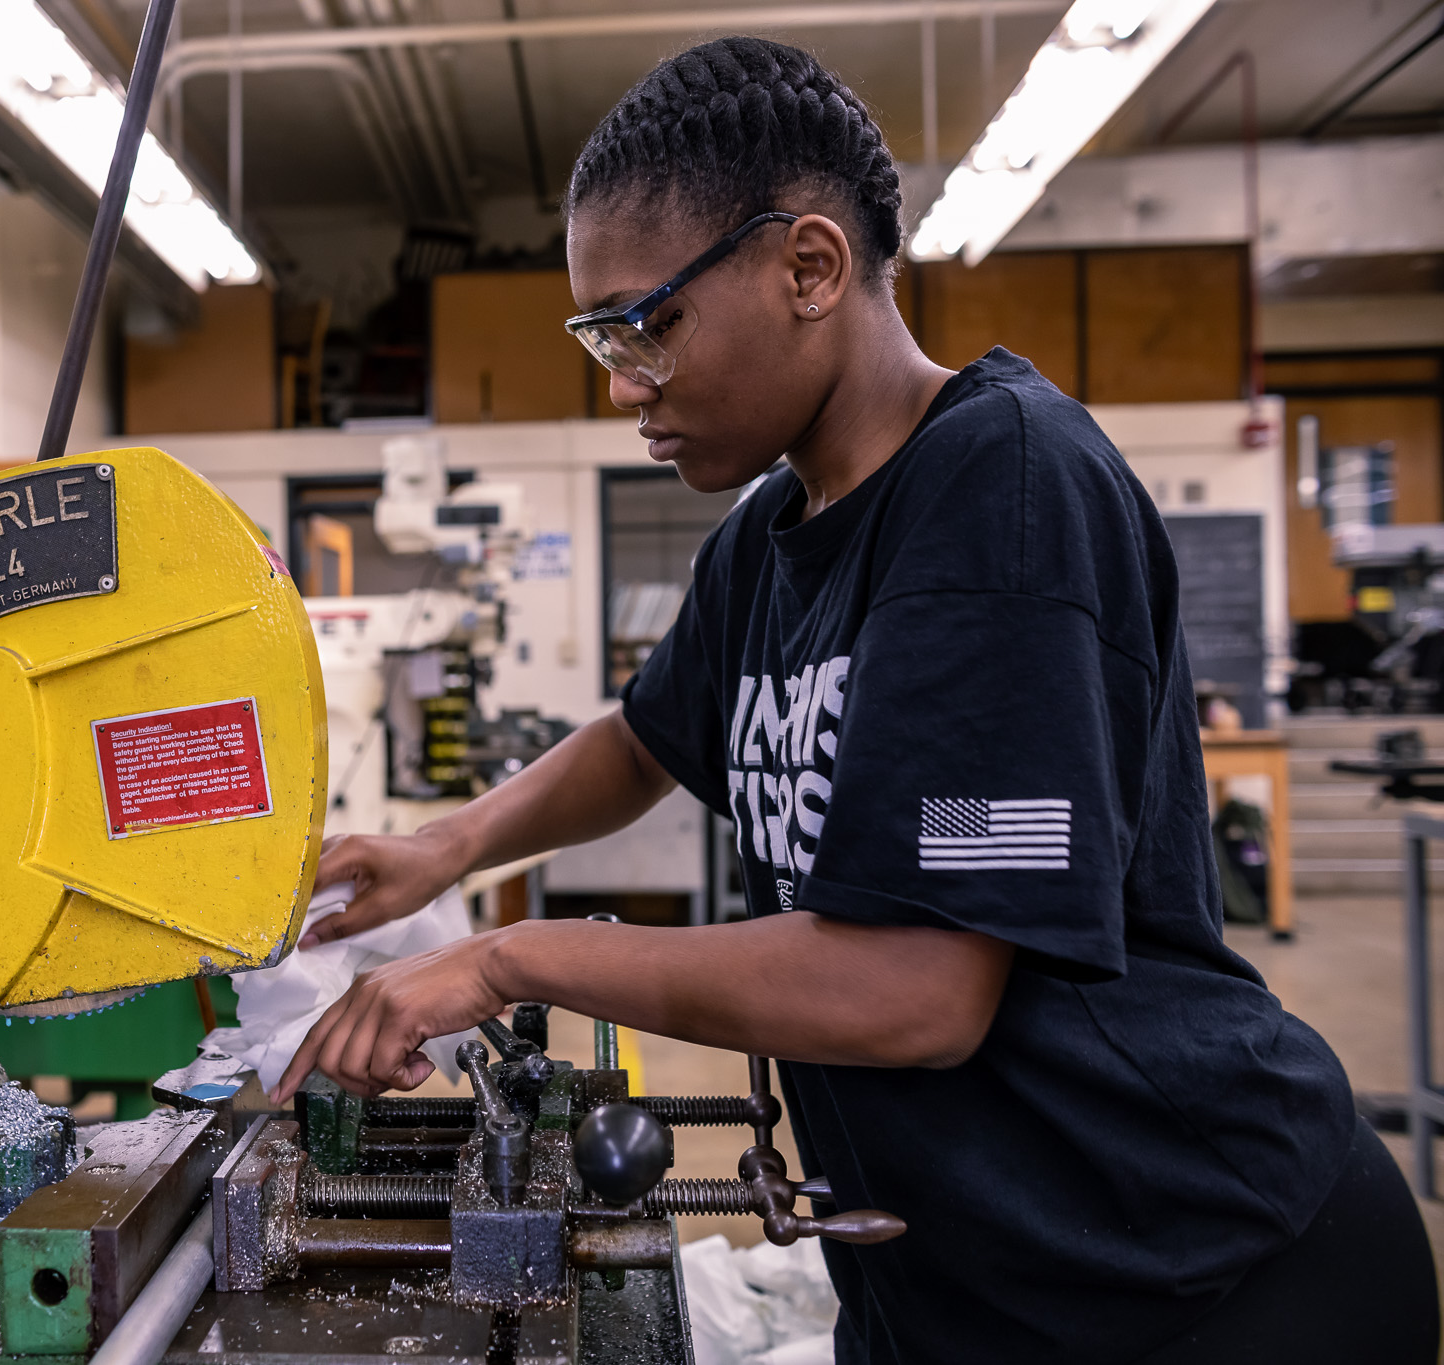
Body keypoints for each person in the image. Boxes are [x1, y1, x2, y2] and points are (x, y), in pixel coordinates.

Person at [268, 35, 1439, 1365]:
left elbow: (917, 987)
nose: (622, 382)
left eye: (648, 323)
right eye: (600, 333)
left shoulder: (999, 487)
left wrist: (500, 956)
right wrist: (448, 847)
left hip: (1197, 1273)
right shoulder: (770, 530)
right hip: (965, 1276)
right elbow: (646, 736)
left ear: (810, 268)